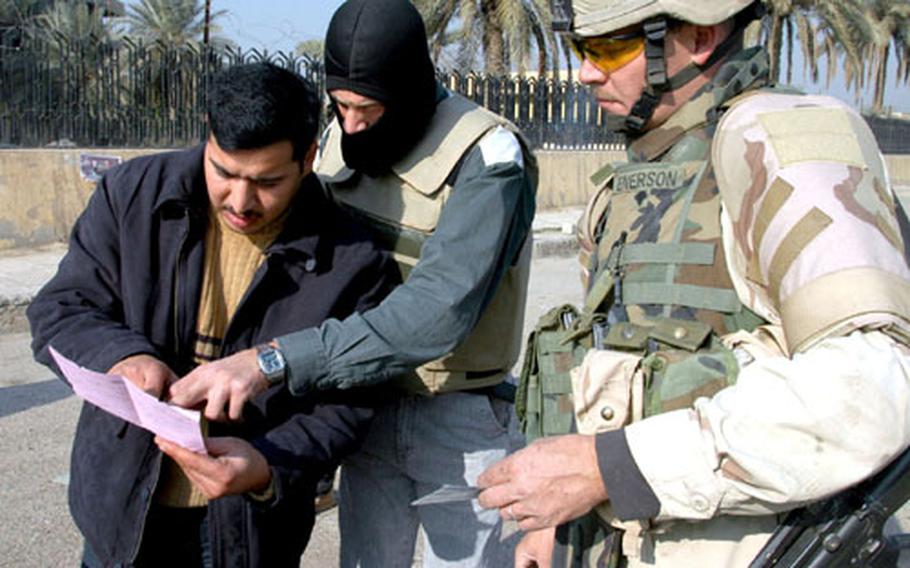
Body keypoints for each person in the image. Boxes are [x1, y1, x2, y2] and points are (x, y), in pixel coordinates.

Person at [475, 0, 910, 566]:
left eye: (610, 48)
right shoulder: (625, 188)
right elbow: (607, 371)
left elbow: (874, 385)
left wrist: (612, 468)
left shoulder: (783, 142)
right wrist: (560, 519)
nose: (586, 72)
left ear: (700, 36)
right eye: (581, 49)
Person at [169, 0, 538, 565]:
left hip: (457, 414)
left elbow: (436, 314)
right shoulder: (338, 134)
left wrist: (272, 363)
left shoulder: (487, 155)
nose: (353, 124)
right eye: (340, 105)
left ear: (412, 88)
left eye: (367, 108)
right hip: (363, 408)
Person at [27, 62, 398, 567]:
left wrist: (267, 466)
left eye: (267, 181)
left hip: (250, 533)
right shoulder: (132, 196)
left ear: (309, 158)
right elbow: (61, 309)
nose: (240, 201)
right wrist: (123, 356)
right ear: (207, 136)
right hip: (120, 512)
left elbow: (351, 401)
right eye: (224, 172)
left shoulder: (354, 259)